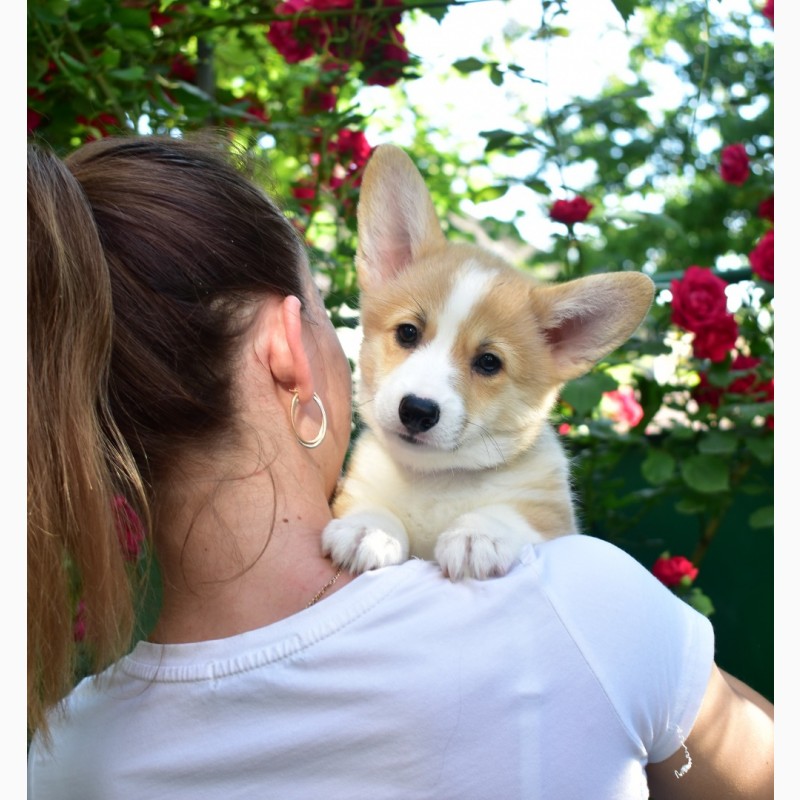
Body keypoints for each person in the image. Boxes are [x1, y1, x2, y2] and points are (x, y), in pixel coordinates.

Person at [27, 133, 773, 800]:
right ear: (289, 347)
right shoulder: (574, 609)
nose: (424, 388)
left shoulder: (52, 765)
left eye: (483, 362)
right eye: (403, 333)